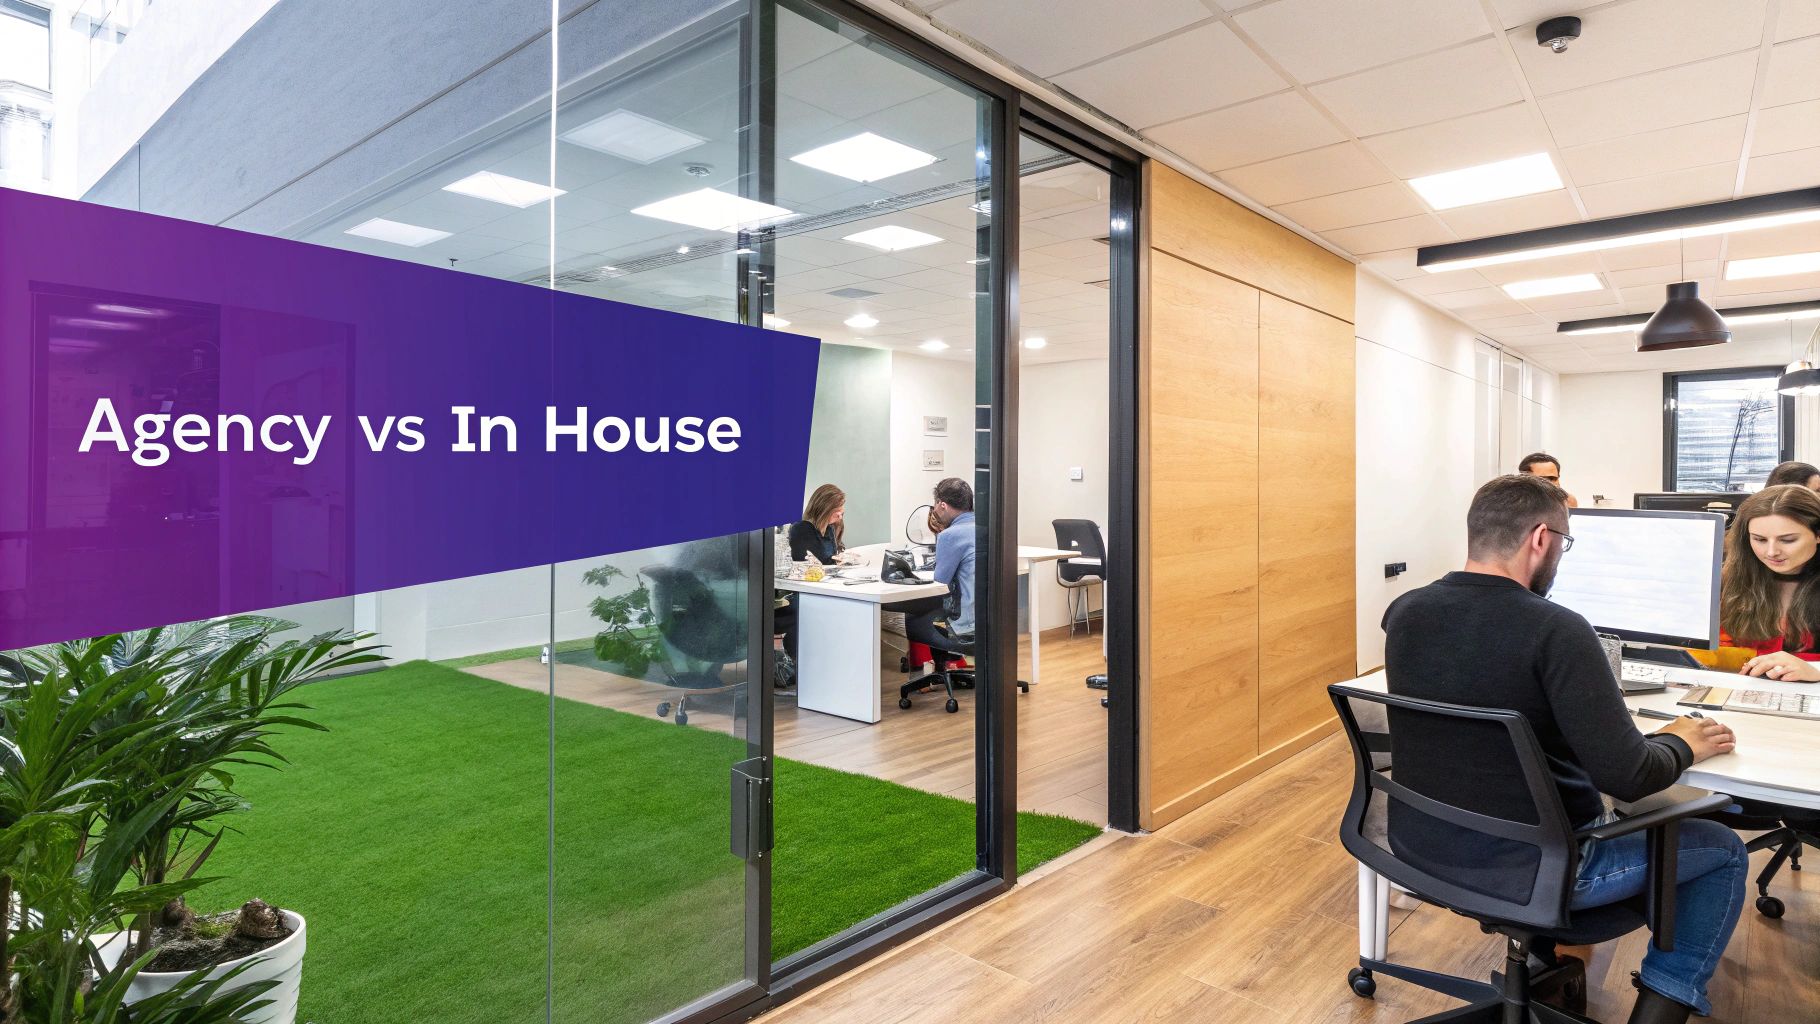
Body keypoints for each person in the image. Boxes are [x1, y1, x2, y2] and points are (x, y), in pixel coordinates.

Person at [1382, 474, 1744, 1024]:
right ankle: (1659, 1012)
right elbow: (1630, 774)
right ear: (1541, 538)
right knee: (1721, 848)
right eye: (1565, 543)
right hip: (1546, 868)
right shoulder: (1557, 630)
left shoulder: (1405, 611)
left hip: (1422, 845)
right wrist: (1683, 740)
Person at [1721, 483, 1820, 681]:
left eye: (1788, 540)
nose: (1771, 552)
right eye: (1759, 539)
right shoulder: (1729, 580)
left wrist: (1815, 670)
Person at [904, 477, 976, 668]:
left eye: (935, 505)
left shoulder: (950, 535)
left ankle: (937, 669)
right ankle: (950, 665)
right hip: (993, 619)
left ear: (942, 505)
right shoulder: (989, 528)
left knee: (913, 614)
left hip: (967, 624)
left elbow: (940, 582)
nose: (934, 510)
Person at [789, 484, 846, 565]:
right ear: (824, 509)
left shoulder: (832, 526)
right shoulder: (802, 529)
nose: (840, 517)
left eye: (841, 511)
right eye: (837, 511)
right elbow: (816, 561)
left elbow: (837, 551)